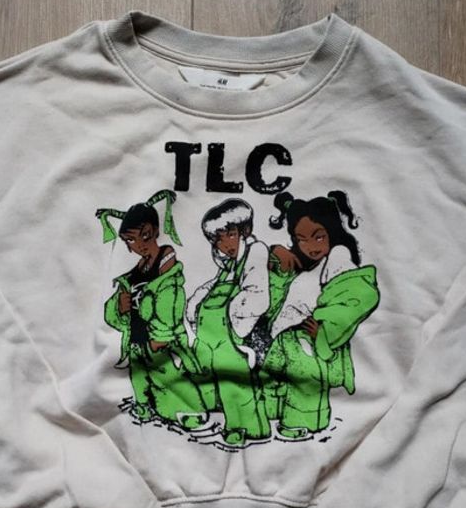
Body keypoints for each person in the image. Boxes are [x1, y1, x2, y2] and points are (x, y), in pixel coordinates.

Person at [259, 190, 380, 439]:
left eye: (318, 237)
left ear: (332, 232)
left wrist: (324, 331)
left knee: (306, 378)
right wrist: (276, 255)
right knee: (273, 374)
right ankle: (272, 412)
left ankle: (300, 422)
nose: (310, 246)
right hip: (284, 336)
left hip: (309, 336)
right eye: (301, 239)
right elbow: (278, 292)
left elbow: (357, 298)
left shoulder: (338, 258)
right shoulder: (306, 264)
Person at [96, 189, 208, 430]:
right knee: (140, 376)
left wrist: (162, 337)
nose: (138, 245)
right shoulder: (135, 272)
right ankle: (144, 406)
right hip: (137, 339)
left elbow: (172, 305)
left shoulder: (167, 268)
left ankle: (191, 411)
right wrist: (119, 307)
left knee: (167, 375)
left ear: (155, 231)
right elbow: (113, 311)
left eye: (144, 236)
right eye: (130, 240)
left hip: (159, 340)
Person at [186, 198, 271, 447]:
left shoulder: (255, 253)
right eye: (218, 240)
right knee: (204, 372)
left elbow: (257, 294)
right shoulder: (227, 267)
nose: (225, 244)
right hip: (210, 336)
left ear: (245, 231)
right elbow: (210, 287)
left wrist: (236, 325)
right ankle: (206, 413)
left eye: (231, 235)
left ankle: (245, 427)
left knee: (236, 380)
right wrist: (193, 307)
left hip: (233, 334)